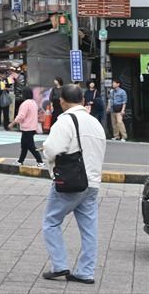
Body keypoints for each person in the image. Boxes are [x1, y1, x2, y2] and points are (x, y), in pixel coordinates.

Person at [40, 83, 107, 284]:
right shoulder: (95, 123)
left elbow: (52, 149)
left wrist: (46, 153)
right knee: (89, 229)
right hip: (92, 183)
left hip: (70, 182)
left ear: (61, 101)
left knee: (51, 222)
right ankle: (85, 272)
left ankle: (59, 265)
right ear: (83, 100)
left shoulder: (65, 121)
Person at [9, 94, 44, 168]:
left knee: (31, 146)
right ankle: (20, 161)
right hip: (32, 128)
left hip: (27, 128)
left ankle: (40, 161)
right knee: (24, 146)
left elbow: (21, 116)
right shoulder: (34, 103)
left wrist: (12, 123)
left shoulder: (25, 104)